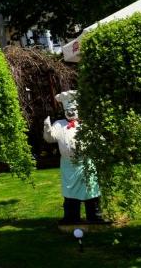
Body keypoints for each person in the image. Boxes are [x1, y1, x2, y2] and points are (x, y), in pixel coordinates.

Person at [42, 90, 104, 224]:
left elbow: (99, 140)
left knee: (91, 188)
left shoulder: (86, 123)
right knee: (69, 191)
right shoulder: (59, 124)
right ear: (64, 111)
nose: (70, 112)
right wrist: (47, 127)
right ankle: (71, 217)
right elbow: (50, 139)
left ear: (78, 109)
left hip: (86, 163)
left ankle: (95, 216)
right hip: (68, 165)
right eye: (68, 110)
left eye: (73, 109)